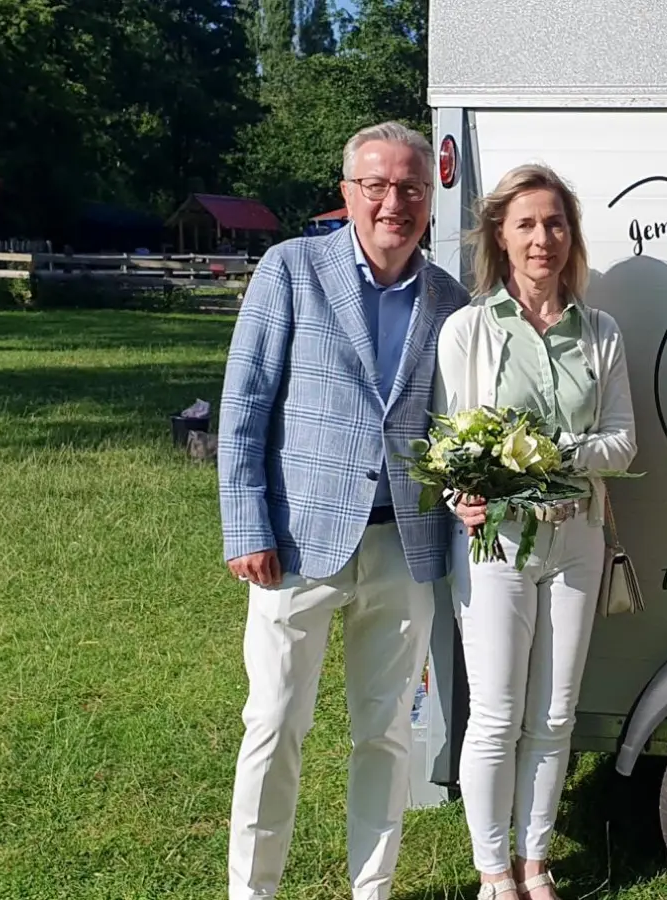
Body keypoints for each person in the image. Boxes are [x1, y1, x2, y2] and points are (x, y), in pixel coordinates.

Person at [219, 121, 471, 900]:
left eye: (411, 187)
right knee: (274, 727)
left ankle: (374, 889)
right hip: (296, 545)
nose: (395, 201)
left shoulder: (450, 299)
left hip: (404, 549)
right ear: (348, 193)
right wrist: (248, 525)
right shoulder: (291, 269)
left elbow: (452, 425)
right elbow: (246, 403)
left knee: (387, 734)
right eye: (378, 185)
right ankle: (251, 892)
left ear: (429, 198)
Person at [434, 164, 637, 900]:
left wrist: (546, 455)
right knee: (495, 715)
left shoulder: (602, 333)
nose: (542, 238)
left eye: (555, 223)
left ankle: (534, 863)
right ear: (500, 235)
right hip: (496, 546)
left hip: (577, 538)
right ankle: (494, 873)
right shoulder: (469, 330)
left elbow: (623, 444)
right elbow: (456, 444)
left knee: (554, 714)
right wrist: (467, 487)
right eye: (526, 224)